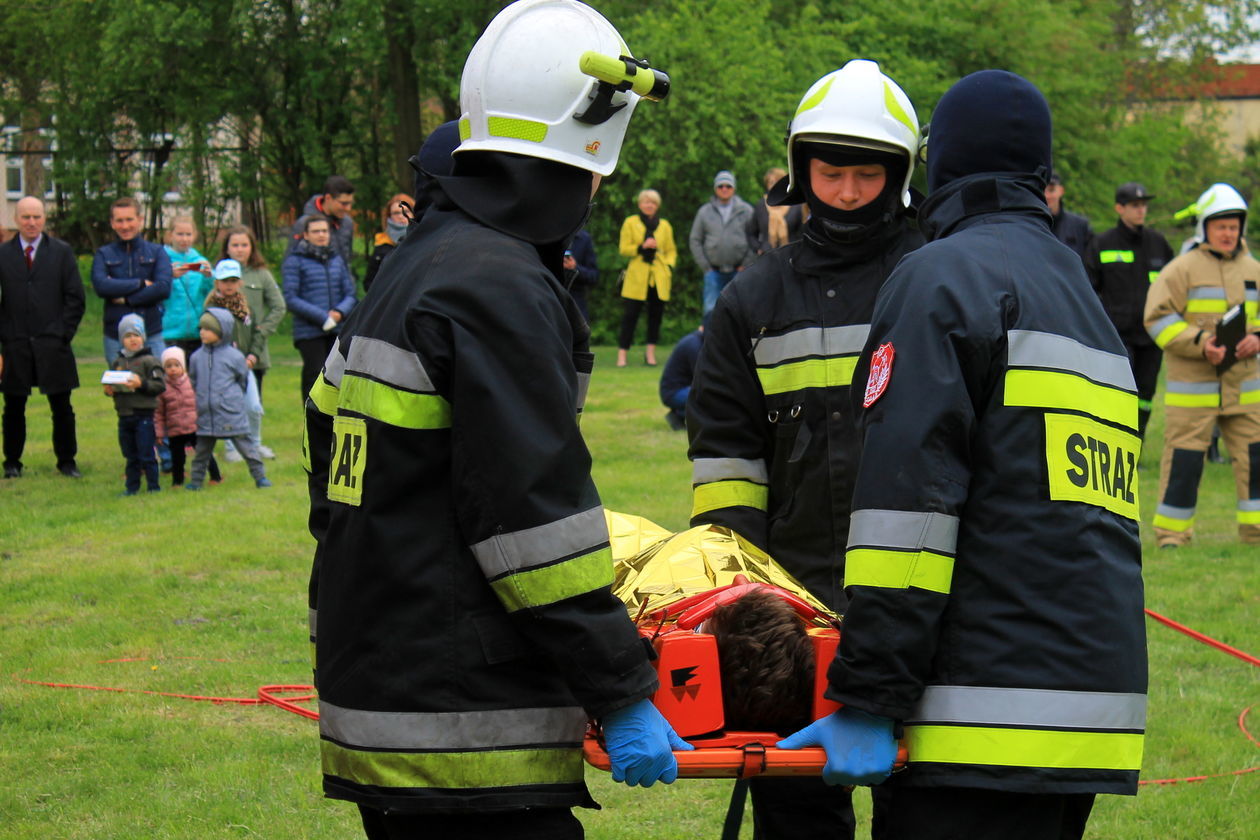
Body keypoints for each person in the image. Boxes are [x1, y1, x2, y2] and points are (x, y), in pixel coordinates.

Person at [302, 2, 686, 836]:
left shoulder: (414, 271)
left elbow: (328, 456)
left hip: (386, 688)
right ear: (591, 142)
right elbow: (532, 526)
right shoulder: (498, 287)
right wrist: (621, 689)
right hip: (466, 724)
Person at [777, 70, 1147, 840]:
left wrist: (870, 699)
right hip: (1081, 721)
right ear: (1041, 175)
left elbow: (904, 519)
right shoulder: (1080, 296)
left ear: (934, 165)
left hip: (971, 722)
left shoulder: (941, 279)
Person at [686, 59, 925, 840]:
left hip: (924, 610)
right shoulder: (755, 298)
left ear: (898, 176)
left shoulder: (936, 283)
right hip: (790, 615)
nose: (849, 193)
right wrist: (747, 612)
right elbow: (725, 468)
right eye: (832, 173)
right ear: (801, 172)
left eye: (865, 174)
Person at [1145, 182, 1260, 548]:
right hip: (1193, 388)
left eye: (1233, 226)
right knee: (1184, 463)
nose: (1228, 233)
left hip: (1245, 387)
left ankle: (1255, 534)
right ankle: (1172, 536)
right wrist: (1198, 342)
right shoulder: (1181, 269)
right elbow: (1157, 318)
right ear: (1204, 227)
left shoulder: (1254, 269)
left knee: (1255, 461)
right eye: (1220, 225)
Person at [0, 195, 85, 479]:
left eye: (37, 216)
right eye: (26, 217)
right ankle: (12, 461)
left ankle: (67, 461)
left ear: (44, 218)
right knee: (13, 406)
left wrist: (63, 334)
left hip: (53, 342)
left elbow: (75, 297)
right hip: (15, 343)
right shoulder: (3, 254)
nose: (32, 222)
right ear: (16, 219)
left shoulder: (61, 252)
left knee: (62, 406)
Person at [1085, 181, 1175, 440]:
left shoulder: (1159, 244)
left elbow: (1174, 286)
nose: (1141, 211)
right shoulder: (1102, 244)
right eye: (1135, 205)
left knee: (1145, 395)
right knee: (1118, 391)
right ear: (1119, 208)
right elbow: (1089, 290)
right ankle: (1113, 440)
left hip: (1151, 336)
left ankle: (1138, 441)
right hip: (1117, 337)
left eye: (1144, 205)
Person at [184, 308, 270, 490]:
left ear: (222, 331)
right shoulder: (196, 357)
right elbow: (193, 380)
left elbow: (243, 380)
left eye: (208, 329)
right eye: (201, 328)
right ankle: (196, 482)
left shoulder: (235, 357)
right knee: (201, 452)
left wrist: (229, 399)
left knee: (247, 448)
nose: (202, 332)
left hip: (230, 413)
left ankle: (260, 477)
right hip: (206, 414)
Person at [221, 224, 286, 457]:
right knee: (230, 399)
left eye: (244, 245)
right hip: (226, 348)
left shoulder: (261, 274)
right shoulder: (219, 275)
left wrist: (264, 328)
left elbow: (279, 306)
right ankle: (231, 445)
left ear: (252, 247)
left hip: (254, 349)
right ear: (227, 248)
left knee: (253, 401)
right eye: (235, 245)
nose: (240, 249)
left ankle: (253, 443)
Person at [282, 213, 356, 402]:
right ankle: (310, 417)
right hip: (309, 331)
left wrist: (339, 313)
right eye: (316, 231)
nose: (321, 235)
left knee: (337, 376)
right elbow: (290, 297)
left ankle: (332, 422)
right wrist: (323, 317)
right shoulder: (295, 261)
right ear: (306, 235)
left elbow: (350, 293)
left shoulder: (337, 260)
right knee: (315, 373)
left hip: (338, 328)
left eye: (324, 231)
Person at [90, 197, 173, 362]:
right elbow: (101, 286)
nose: (125, 226)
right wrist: (141, 284)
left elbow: (163, 287)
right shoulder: (103, 254)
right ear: (112, 223)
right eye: (119, 221)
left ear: (140, 220)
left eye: (129, 219)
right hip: (115, 335)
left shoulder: (157, 252)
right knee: (120, 386)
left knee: (156, 384)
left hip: (151, 331)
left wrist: (126, 298)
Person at [204, 258, 271, 462]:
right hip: (222, 367)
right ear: (217, 282)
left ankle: (255, 443)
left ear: (240, 282)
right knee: (230, 406)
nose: (229, 285)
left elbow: (258, 331)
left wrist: (253, 355)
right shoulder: (211, 307)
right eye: (225, 281)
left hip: (245, 364)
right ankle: (231, 446)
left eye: (233, 280)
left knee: (253, 406)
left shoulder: (246, 304)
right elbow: (208, 337)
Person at [104, 314, 166, 495]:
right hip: (124, 415)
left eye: (136, 335)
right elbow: (115, 386)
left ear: (143, 337)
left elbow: (160, 386)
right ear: (121, 339)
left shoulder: (150, 361)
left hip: (143, 415)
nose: (133, 339)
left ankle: (153, 486)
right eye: (128, 336)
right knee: (130, 455)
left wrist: (142, 384)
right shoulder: (118, 363)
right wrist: (109, 390)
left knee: (146, 453)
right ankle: (132, 488)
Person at [617, 189, 676, 367]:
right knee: (630, 316)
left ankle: (650, 355)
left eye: (653, 202)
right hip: (637, 276)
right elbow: (623, 248)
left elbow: (671, 250)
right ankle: (622, 356)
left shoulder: (665, 225)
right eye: (646, 202)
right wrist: (642, 246)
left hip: (658, 277)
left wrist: (668, 265)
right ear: (640, 204)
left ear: (657, 205)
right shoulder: (631, 222)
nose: (649, 205)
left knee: (655, 317)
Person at [690, 170, 755, 316]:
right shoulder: (704, 212)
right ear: (715, 189)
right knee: (711, 310)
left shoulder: (746, 211)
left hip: (739, 271)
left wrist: (746, 265)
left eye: (728, 186)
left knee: (740, 308)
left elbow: (754, 238)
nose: (724, 189)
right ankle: (710, 338)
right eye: (720, 186)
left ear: (734, 188)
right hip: (713, 272)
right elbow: (695, 240)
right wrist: (706, 267)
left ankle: (738, 339)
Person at [161, 216, 214, 358]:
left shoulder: (200, 261)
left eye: (188, 234)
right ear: (169, 235)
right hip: (169, 331)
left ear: (194, 235)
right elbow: (155, 291)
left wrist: (209, 277)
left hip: (197, 332)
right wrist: (169, 276)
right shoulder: (161, 259)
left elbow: (211, 294)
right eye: (180, 234)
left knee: (196, 377)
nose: (184, 239)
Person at [288, 175, 357, 266]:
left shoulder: (347, 223)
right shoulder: (304, 224)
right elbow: (290, 264)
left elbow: (347, 261)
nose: (348, 208)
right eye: (344, 203)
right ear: (328, 198)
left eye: (350, 203)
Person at [154, 347, 199, 486]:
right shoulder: (162, 388)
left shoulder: (192, 383)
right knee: (177, 458)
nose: (173, 369)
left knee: (204, 454)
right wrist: (159, 433)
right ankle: (177, 482)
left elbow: (200, 404)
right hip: (174, 430)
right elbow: (158, 413)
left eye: (176, 365)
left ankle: (215, 477)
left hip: (194, 427)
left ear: (183, 366)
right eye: (168, 366)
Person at [747, 166, 805, 258]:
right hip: (767, 257)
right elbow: (751, 233)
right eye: (771, 182)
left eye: (779, 181)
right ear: (767, 185)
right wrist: (758, 248)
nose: (775, 185)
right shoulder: (761, 205)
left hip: (791, 257)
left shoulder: (795, 204)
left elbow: (803, 232)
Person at [363, 193, 413, 292]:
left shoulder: (423, 239)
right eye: (396, 213)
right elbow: (369, 283)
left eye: (406, 211)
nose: (401, 216)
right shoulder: (382, 244)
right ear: (389, 216)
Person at [659, 324, 703, 431]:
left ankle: (679, 414)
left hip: (677, 390)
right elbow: (702, 378)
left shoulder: (696, 340)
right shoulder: (694, 345)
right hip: (673, 392)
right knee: (709, 396)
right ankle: (680, 414)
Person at [1044, 171, 1092, 262]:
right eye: (1042, 190)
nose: (1047, 196)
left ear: (1061, 191)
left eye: (1051, 190)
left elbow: (1090, 264)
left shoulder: (1080, 226)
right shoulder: (1030, 224)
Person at [564, 227, 599, 321]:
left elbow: (594, 276)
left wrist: (575, 267)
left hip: (576, 301)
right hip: (551, 297)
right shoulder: (549, 236)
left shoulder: (584, 239)